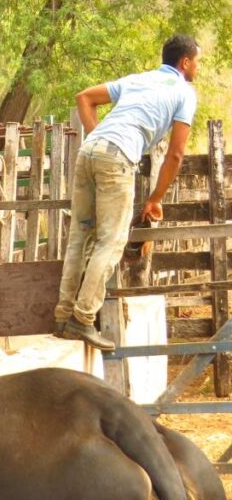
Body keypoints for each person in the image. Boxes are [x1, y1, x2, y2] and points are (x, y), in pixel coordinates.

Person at [54, 34, 200, 350]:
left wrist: (101, 139)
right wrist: (155, 198)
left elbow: (84, 97)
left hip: (88, 151)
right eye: (196, 61)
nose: (197, 68)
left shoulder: (138, 79)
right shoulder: (184, 92)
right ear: (185, 62)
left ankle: (63, 317)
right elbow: (176, 154)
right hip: (117, 159)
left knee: (81, 236)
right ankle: (81, 320)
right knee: (111, 240)